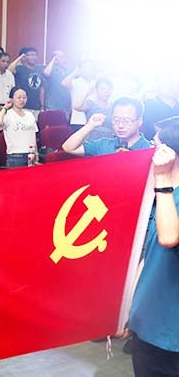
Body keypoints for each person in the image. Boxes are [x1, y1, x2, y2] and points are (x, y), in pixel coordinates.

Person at [127, 127, 179, 376]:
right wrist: (128, 308)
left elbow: (169, 238)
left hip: (170, 331)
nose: (149, 152)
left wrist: (162, 180)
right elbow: (149, 255)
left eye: (155, 145)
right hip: (147, 323)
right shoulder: (160, 195)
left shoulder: (165, 193)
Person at [62, 97, 151, 156]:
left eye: (126, 121)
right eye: (116, 120)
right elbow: (68, 148)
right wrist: (89, 125)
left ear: (139, 121)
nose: (120, 126)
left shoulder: (150, 149)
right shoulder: (103, 145)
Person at [0, 87, 39, 167]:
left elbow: (33, 136)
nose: (22, 100)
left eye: (24, 97)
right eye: (19, 97)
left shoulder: (30, 115)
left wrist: (36, 153)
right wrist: (5, 107)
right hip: (15, 157)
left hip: (30, 155)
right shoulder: (8, 114)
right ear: (12, 99)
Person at [14, 47, 45, 118]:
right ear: (25, 57)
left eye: (35, 55)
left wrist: (42, 105)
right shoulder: (19, 69)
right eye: (31, 55)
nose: (34, 57)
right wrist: (20, 57)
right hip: (23, 106)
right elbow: (9, 70)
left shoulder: (40, 69)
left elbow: (42, 88)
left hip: (37, 106)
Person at [43, 50, 72, 119]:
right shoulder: (51, 70)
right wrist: (54, 59)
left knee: (64, 125)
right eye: (61, 57)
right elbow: (46, 73)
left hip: (66, 108)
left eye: (64, 57)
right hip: (52, 106)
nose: (64, 59)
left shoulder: (68, 72)